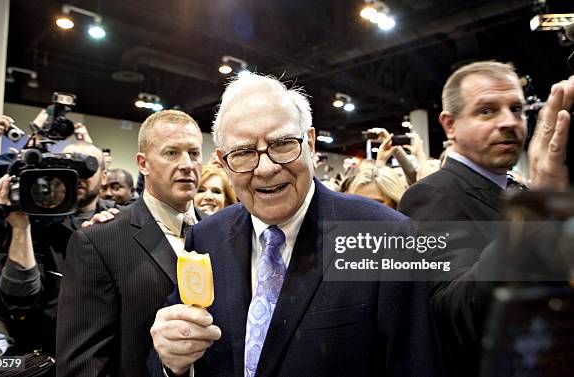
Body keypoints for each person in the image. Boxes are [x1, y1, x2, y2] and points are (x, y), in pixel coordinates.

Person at [148, 74, 441, 377]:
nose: (266, 168)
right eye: (244, 152)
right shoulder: (207, 236)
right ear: (224, 161)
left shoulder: (383, 236)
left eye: (283, 144)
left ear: (310, 144)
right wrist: (173, 362)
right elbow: (178, 349)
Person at [398, 61, 573, 376]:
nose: (509, 121)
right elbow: (453, 313)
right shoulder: (431, 195)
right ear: (450, 125)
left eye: (516, 109)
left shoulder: (517, 189)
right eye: (487, 111)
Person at [56, 110, 207, 376]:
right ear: (143, 163)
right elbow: (84, 365)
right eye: (172, 153)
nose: (187, 164)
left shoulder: (221, 233)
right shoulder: (98, 241)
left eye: (194, 153)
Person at [0, 140, 115, 355]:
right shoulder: (32, 221)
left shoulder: (117, 221)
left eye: (86, 169)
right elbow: (18, 300)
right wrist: (20, 228)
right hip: (43, 352)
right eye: (66, 168)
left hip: (101, 351)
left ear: (103, 177)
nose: (76, 176)